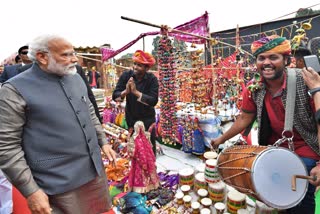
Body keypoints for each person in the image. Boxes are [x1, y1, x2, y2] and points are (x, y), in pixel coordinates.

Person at [0, 34, 117, 214]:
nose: (74, 59)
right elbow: (6, 146)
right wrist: (31, 190)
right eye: (66, 55)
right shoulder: (14, 90)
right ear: (42, 57)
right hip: (56, 182)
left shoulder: (76, 78)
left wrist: (103, 141)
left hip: (93, 173)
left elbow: (89, 112)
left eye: (74, 53)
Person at [211, 35, 320, 213]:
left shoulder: (305, 80)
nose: (266, 63)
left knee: (300, 196)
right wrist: (220, 139)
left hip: (306, 147)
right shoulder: (254, 87)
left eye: (273, 57)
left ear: (286, 60)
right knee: (273, 189)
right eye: (261, 58)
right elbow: (244, 118)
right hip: (273, 147)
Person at [112, 50, 159, 154]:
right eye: (135, 64)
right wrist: (125, 92)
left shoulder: (152, 79)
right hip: (131, 120)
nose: (135, 67)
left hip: (147, 121)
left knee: (149, 152)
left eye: (139, 65)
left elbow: (153, 101)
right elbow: (115, 96)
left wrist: (135, 92)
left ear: (147, 68)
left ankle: (151, 170)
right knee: (134, 151)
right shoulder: (126, 75)